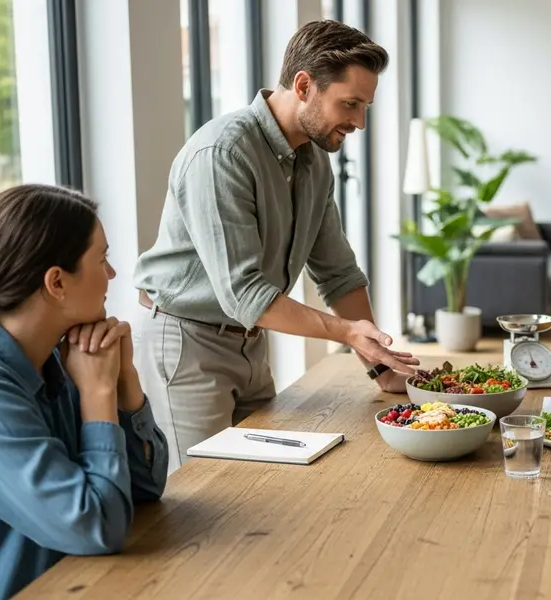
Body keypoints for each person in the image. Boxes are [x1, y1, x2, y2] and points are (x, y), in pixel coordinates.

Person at [132, 20, 419, 471]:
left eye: (365, 107)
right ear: (303, 85)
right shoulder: (222, 153)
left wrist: (380, 365)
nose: (359, 122)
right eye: (350, 104)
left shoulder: (314, 163)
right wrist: (347, 333)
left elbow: (338, 272)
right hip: (186, 342)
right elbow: (245, 294)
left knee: (259, 484)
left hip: (249, 343)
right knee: (204, 494)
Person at [0, 184, 168, 600]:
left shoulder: (59, 356)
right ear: (57, 283)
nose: (113, 275)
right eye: (102, 259)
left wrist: (124, 379)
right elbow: (97, 527)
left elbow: (146, 489)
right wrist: (98, 394)